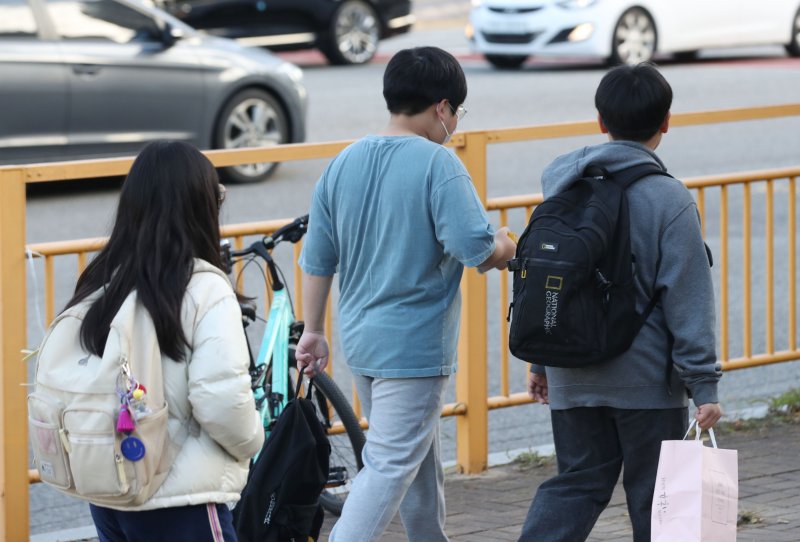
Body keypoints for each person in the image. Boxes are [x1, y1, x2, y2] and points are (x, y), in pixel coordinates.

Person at [294, 46, 517, 541]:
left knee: (417, 459)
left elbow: (317, 259)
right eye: (457, 112)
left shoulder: (344, 162)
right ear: (442, 107)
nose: (455, 123)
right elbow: (476, 248)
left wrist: (313, 330)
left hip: (362, 343)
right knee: (391, 464)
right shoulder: (439, 164)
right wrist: (506, 242)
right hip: (413, 347)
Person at [518, 63, 723, 542]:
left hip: (571, 370)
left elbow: (551, 279)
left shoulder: (563, 186)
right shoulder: (668, 199)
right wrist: (703, 386)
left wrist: (543, 362)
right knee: (658, 498)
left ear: (601, 121)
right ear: (666, 122)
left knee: (576, 484)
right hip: (644, 382)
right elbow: (688, 300)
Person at [65, 141, 264, 541]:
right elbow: (221, 400)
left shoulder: (101, 280)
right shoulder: (204, 288)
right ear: (201, 207)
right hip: (179, 495)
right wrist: (252, 441)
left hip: (112, 486)